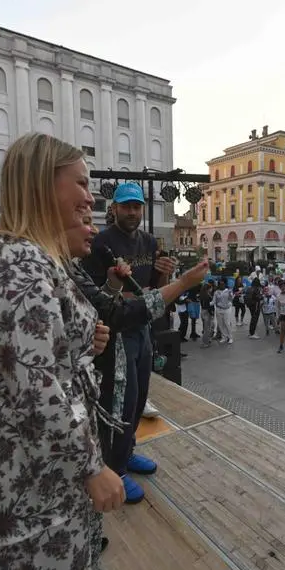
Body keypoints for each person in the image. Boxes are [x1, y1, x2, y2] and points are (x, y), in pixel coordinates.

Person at [0, 133, 123, 570]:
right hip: (31, 475)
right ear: (41, 184)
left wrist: (78, 342)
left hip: (43, 467)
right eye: (81, 183)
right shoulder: (19, 262)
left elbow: (34, 356)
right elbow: (37, 384)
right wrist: (93, 465)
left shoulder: (23, 256)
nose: (90, 197)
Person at [80, 182, 177, 504]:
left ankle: (128, 449)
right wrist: (129, 294)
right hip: (117, 333)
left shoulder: (149, 242)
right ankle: (115, 466)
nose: (132, 212)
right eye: (126, 206)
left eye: (137, 206)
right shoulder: (100, 242)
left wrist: (165, 275)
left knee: (139, 398)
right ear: (114, 209)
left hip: (143, 330)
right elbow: (95, 294)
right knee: (120, 399)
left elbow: (153, 291)